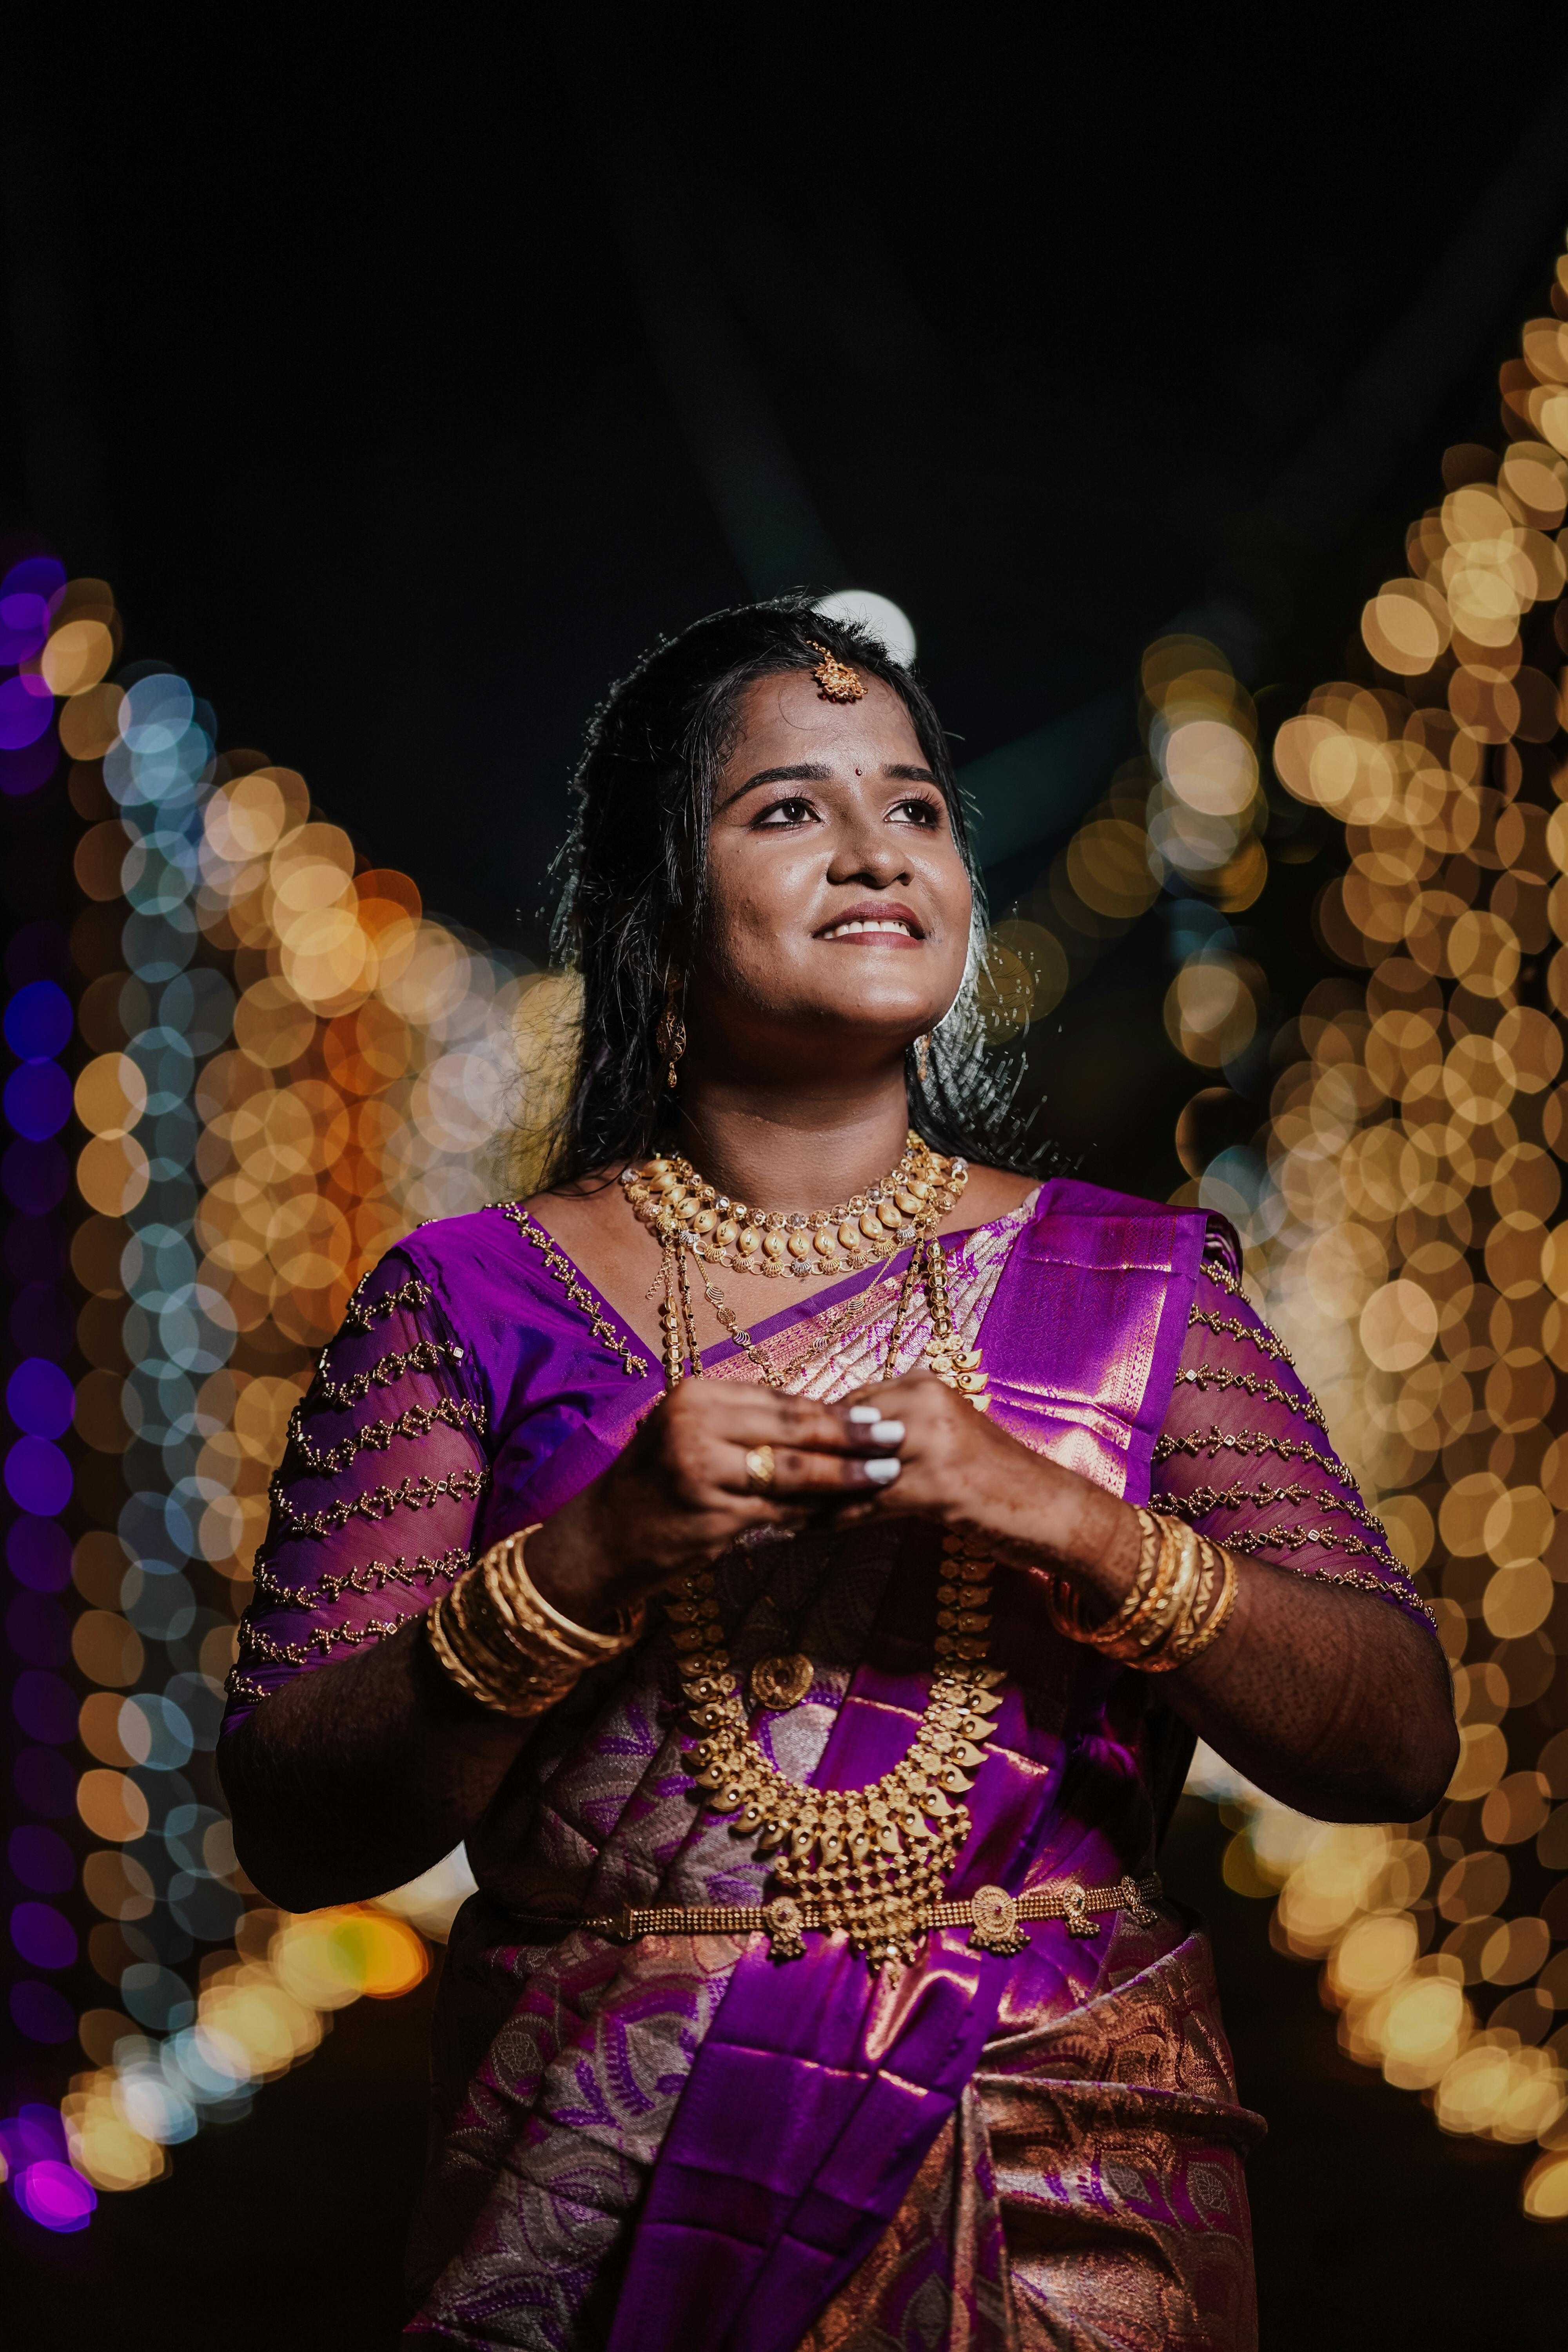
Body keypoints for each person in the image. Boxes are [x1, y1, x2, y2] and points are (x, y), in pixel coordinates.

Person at [217, 601, 1457, 2351]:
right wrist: (590, 1557)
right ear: (652, 902)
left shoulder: (1139, 1286)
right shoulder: (468, 1305)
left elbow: (1397, 1737)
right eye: (788, 808)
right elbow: (295, 1820)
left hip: (1061, 2207)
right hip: (596, 2210)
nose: (878, 847)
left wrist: (1068, 1521)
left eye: (917, 807)